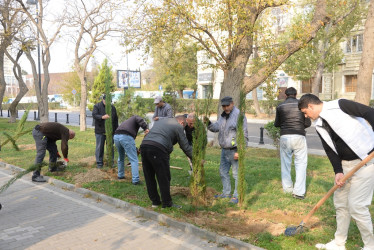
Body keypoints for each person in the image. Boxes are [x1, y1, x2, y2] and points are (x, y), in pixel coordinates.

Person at [298, 94, 374, 250]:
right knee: (341, 204)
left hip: (367, 161)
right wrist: (338, 171)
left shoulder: (340, 105)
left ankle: (370, 245)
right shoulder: (318, 124)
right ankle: (339, 243)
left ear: (311, 106)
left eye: (305, 112)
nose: (306, 116)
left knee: (357, 205)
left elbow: (369, 113)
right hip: (346, 166)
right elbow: (329, 149)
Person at [140, 115, 192, 208]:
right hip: (158, 148)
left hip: (144, 146)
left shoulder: (160, 122)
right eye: (184, 126)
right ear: (182, 123)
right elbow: (185, 146)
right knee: (163, 177)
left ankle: (155, 202)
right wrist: (196, 158)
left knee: (149, 176)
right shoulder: (178, 126)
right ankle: (167, 203)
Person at [205, 96, 248, 204]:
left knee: (236, 174)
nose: (225, 108)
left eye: (227, 105)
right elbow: (216, 128)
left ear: (232, 103)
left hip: (235, 150)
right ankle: (226, 193)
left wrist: (240, 151)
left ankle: (236, 196)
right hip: (224, 150)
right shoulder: (223, 116)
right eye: (223, 106)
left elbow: (244, 134)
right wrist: (208, 123)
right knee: (223, 171)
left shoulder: (239, 116)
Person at [274, 87, 311, 199]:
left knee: (285, 163)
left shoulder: (280, 106)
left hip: (285, 136)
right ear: (296, 94)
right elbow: (308, 123)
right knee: (301, 163)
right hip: (299, 135)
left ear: (286, 95)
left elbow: (277, 124)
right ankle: (299, 192)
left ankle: (287, 189)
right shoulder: (301, 106)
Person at [114, 115, 149, 184]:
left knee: (121, 157)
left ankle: (120, 175)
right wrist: (146, 128)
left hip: (116, 136)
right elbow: (139, 119)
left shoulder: (127, 122)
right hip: (126, 136)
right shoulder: (135, 117)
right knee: (134, 159)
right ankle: (135, 180)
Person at [92, 94, 118, 168]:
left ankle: (110, 162)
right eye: (106, 101)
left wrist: (116, 131)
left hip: (110, 132)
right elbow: (94, 115)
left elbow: (116, 120)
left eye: (109, 101)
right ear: (103, 99)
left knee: (110, 147)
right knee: (100, 147)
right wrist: (102, 117)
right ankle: (99, 163)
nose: (108, 103)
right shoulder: (97, 106)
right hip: (100, 131)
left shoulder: (113, 108)